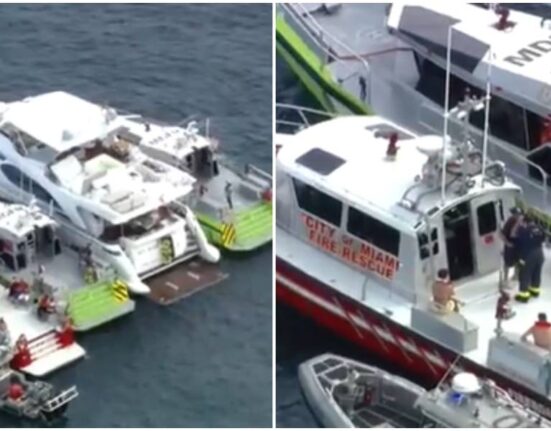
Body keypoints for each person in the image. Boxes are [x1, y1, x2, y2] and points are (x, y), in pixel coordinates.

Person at [515, 215, 546, 303]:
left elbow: (517, 236)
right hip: (540, 253)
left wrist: (519, 224)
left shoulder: (524, 230)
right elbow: (543, 238)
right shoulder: (540, 228)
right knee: (536, 273)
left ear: (525, 222)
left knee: (525, 275)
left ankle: (524, 296)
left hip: (529, 255)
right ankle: (535, 292)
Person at [500, 207, 523, 285]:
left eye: (519, 214)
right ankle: (505, 279)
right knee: (507, 262)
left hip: (517, 245)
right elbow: (502, 234)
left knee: (518, 261)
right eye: (516, 214)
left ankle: (516, 276)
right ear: (513, 214)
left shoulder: (520, 221)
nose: (518, 216)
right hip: (510, 245)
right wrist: (507, 244)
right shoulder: (510, 221)